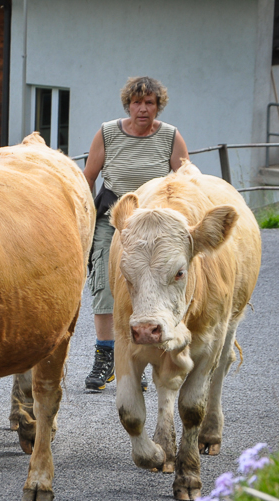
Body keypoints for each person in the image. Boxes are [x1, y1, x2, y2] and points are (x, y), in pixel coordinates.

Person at [81, 76, 189, 391]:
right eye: (137, 102)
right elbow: (88, 177)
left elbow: (185, 182)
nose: (142, 109)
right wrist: (85, 219)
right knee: (103, 285)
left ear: (159, 106)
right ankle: (105, 358)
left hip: (154, 229)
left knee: (147, 290)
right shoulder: (108, 133)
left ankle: (138, 360)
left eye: (150, 103)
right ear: (128, 105)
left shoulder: (170, 137)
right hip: (112, 220)